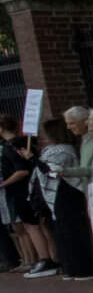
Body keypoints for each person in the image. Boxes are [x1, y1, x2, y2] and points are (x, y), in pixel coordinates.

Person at [36, 118, 93, 281]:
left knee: (74, 232)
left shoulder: (64, 150)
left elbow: (52, 170)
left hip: (68, 193)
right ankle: (70, 266)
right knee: (62, 232)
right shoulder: (50, 150)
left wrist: (32, 160)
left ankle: (83, 268)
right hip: (57, 196)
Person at [0, 118, 58, 277]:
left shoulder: (10, 147)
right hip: (29, 189)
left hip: (22, 191)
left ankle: (45, 259)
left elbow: (22, 171)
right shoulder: (23, 142)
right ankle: (51, 257)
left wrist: (4, 183)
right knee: (38, 226)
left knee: (32, 226)